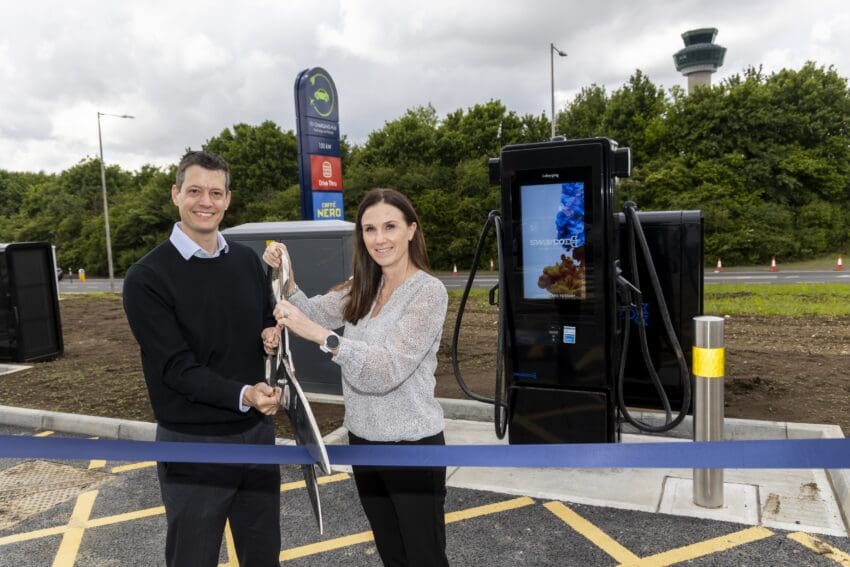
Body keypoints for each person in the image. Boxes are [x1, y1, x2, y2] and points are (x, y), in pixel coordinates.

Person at [264, 188, 450, 566]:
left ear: (412, 230)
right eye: (369, 229)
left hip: (412, 446)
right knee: (392, 553)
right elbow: (310, 313)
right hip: (363, 440)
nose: (379, 239)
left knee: (424, 557)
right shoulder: (362, 286)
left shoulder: (429, 292)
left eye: (390, 227)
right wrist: (287, 276)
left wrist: (324, 338)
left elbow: (386, 371)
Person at [123, 150, 283, 567]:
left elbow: (266, 322)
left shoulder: (247, 262)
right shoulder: (147, 277)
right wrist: (245, 394)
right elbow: (176, 367)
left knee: (263, 556)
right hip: (192, 444)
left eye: (215, 192)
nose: (205, 201)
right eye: (194, 190)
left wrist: (270, 334)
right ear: (176, 194)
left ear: (228, 200)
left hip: (256, 437)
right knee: (192, 558)